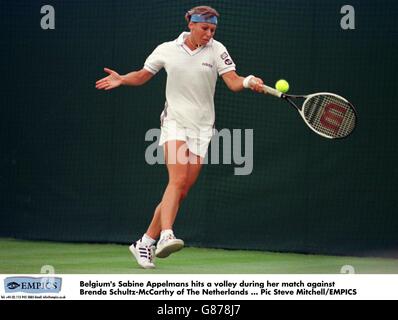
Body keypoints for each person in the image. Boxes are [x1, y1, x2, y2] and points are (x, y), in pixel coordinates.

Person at [95, 5, 264, 269]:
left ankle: (144, 242)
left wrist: (248, 80)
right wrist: (122, 79)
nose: (209, 34)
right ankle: (166, 235)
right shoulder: (166, 49)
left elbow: (232, 81)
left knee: (182, 190)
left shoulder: (218, 50)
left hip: (203, 128)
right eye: (205, 28)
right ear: (191, 25)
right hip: (174, 123)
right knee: (178, 178)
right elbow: (142, 76)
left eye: (213, 30)